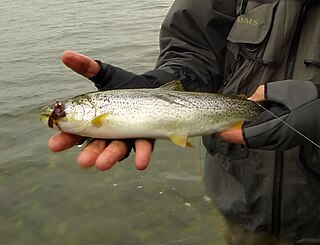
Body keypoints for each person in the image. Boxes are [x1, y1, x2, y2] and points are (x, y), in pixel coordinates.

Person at [48, 0, 320, 244]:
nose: (56, 115)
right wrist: (163, 82)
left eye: (59, 111)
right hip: (243, 206)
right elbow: (195, 48)